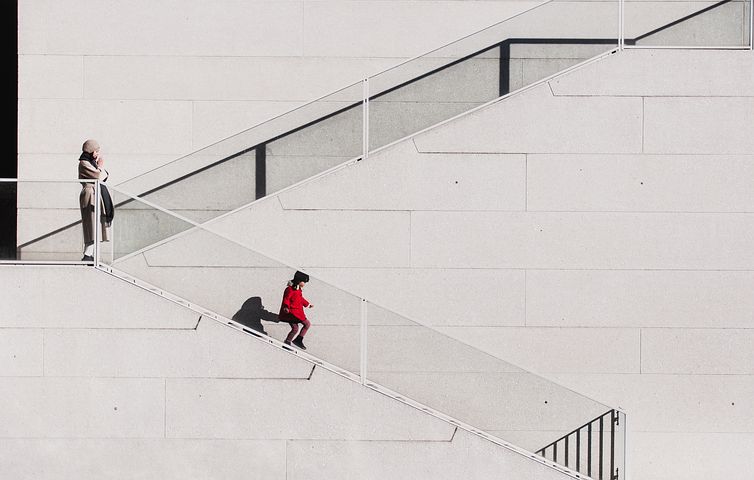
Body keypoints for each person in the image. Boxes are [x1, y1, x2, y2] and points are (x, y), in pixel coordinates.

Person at [78, 139, 114, 262]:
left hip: (95, 194)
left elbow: (104, 176)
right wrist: (100, 166)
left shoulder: (90, 163)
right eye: (96, 151)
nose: (98, 153)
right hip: (90, 195)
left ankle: (91, 255)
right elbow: (99, 176)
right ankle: (88, 255)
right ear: (91, 151)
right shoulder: (84, 163)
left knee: (96, 225)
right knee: (91, 224)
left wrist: (99, 167)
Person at [279, 270, 314, 350]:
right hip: (292, 313)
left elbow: (300, 299)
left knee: (296, 328)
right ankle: (295, 341)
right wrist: (286, 307)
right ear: (299, 280)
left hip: (297, 312)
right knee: (306, 324)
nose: (304, 284)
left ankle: (290, 341)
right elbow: (286, 299)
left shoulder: (298, 289)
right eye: (304, 282)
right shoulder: (290, 289)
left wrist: (307, 304)